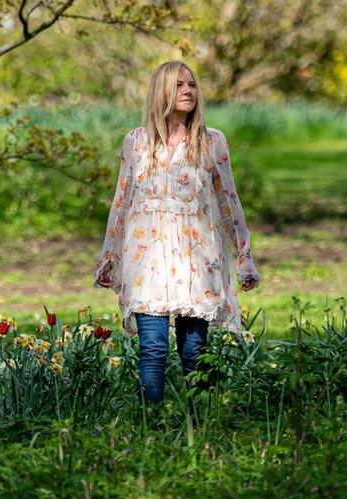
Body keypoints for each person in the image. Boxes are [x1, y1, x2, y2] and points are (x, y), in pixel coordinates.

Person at [93, 60, 261, 409]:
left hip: (196, 256)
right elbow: (121, 202)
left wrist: (244, 257)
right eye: (179, 85)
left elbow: (228, 201)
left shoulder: (212, 141)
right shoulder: (137, 143)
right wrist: (109, 257)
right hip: (148, 257)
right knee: (152, 346)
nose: (188, 91)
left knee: (193, 349)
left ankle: (198, 426)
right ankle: (150, 425)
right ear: (161, 92)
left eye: (192, 85)